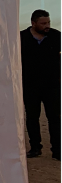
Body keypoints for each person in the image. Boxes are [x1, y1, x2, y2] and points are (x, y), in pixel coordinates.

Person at [20, 9, 60, 160]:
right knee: (32, 117)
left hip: (52, 86)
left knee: (54, 118)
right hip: (30, 86)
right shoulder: (22, 38)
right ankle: (35, 147)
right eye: (43, 23)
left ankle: (58, 150)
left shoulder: (56, 36)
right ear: (33, 23)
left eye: (48, 22)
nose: (47, 26)